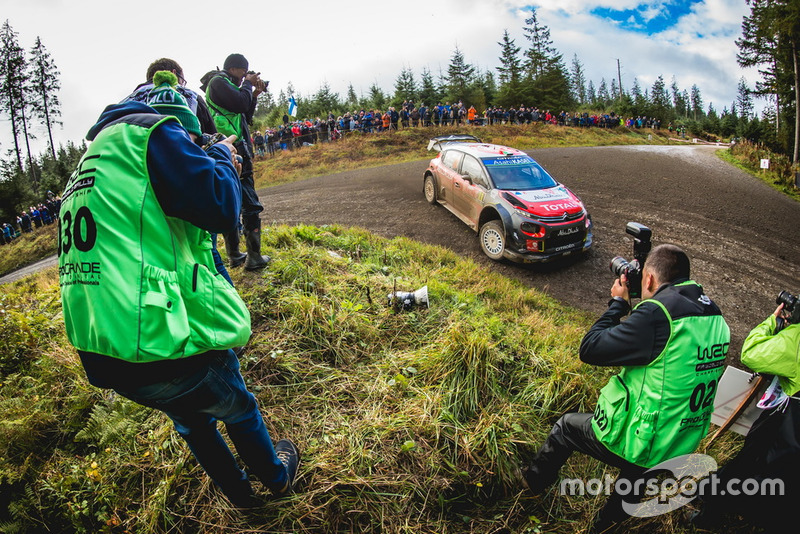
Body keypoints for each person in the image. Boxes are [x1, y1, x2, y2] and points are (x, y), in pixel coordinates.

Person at [57, 72, 299, 509]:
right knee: (238, 407)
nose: (191, 148)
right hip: (162, 343)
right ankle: (277, 478)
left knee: (193, 422)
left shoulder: (95, 157)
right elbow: (223, 207)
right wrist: (222, 158)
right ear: (178, 122)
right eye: (190, 140)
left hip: (108, 350)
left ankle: (242, 498)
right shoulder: (153, 133)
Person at [519, 244, 730, 531]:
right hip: (681, 437)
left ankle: (529, 486)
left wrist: (618, 304)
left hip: (645, 438)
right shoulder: (714, 316)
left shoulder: (658, 315)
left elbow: (590, 349)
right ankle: (607, 525)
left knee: (567, 428)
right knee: (635, 475)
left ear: (650, 280)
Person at [690, 299, 800, 531]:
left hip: (788, 424)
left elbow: (751, 353)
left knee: (753, 467)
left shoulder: (797, 339)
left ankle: (712, 510)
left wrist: (774, 325)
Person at [200, 54, 270, 271]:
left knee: (233, 196)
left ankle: (235, 254)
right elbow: (240, 101)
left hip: (232, 147)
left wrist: (254, 93)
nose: (244, 78)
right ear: (235, 68)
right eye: (243, 73)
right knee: (248, 200)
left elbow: (244, 114)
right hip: (232, 148)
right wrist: (248, 84)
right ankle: (254, 257)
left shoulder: (225, 85)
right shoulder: (219, 82)